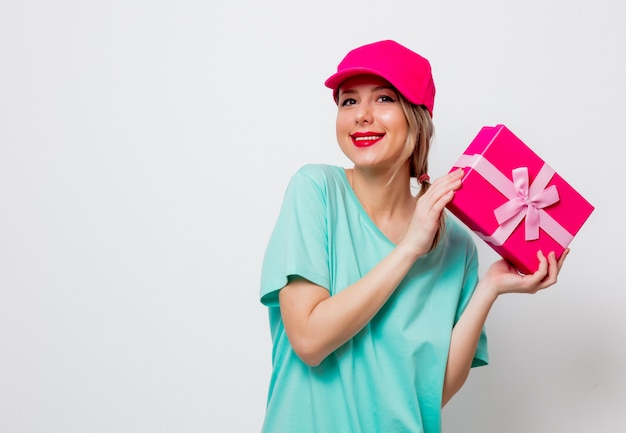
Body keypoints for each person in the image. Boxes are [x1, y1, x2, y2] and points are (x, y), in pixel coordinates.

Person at [259, 40, 567, 433]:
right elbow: (309, 340)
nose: (362, 116)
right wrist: (409, 248)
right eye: (348, 102)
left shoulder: (454, 241)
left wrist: (489, 288)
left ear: (416, 117)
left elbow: (428, 393)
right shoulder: (315, 190)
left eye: (384, 98)